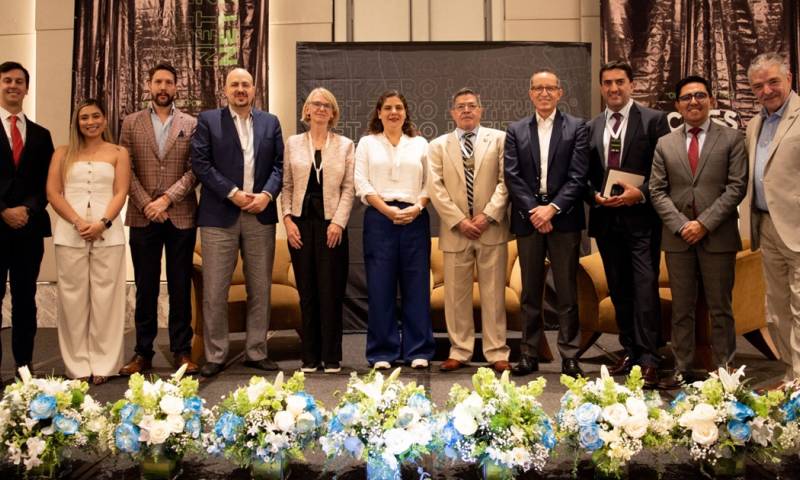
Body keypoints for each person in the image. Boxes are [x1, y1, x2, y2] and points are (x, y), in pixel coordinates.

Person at [650, 76, 747, 389]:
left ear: (711, 101)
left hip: (717, 237)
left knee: (721, 308)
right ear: (678, 105)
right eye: (687, 97)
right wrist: (682, 225)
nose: (693, 102)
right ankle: (682, 368)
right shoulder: (665, 143)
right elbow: (657, 190)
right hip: (678, 240)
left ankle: (725, 373)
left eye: (700, 96)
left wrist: (704, 223)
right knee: (682, 308)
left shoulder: (732, 139)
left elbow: (736, 187)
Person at [191, 67, 284, 378]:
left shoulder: (270, 123)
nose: (240, 90)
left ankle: (256, 350)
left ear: (254, 90)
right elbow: (201, 164)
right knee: (215, 288)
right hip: (219, 215)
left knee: (260, 287)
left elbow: (279, 166)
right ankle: (216, 354)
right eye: (235, 85)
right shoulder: (208, 121)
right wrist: (232, 193)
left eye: (246, 84)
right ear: (225, 89)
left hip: (260, 214)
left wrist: (267, 196)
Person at [584, 61, 670, 388]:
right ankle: (631, 351)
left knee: (644, 288)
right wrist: (594, 196)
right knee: (619, 289)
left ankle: (650, 359)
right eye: (607, 83)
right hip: (606, 221)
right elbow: (585, 175)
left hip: (642, 221)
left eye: (620, 82)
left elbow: (666, 169)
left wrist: (642, 192)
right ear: (601, 87)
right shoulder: (591, 127)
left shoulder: (653, 121)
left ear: (632, 84)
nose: (614, 88)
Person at [504, 69, 588, 377]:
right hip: (529, 221)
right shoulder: (515, 130)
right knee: (530, 292)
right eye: (538, 88)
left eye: (549, 88)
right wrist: (535, 212)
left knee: (567, 291)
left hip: (563, 220)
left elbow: (578, 176)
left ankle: (570, 355)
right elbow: (512, 176)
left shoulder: (577, 128)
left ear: (560, 92)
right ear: (530, 93)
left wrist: (551, 209)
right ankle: (529, 353)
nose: (544, 93)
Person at [118, 62, 199, 376]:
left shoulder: (191, 124)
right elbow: (126, 169)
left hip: (180, 215)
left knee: (180, 286)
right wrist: (147, 203)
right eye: (158, 82)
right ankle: (143, 353)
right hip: (142, 216)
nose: (163, 88)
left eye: (169, 83)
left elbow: (195, 169)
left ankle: (182, 352)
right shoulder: (130, 123)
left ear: (177, 87)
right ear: (148, 86)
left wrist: (167, 199)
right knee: (146, 287)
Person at [46, 99, 130, 385]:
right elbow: (54, 192)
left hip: (109, 234)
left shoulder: (119, 152)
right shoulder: (62, 153)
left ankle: (105, 363)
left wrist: (102, 223)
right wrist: (79, 222)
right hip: (70, 234)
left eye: (96, 116)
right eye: (84, 117)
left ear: (105, 120)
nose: (90, 122)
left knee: (107, 299)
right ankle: (77, 364)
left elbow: (121, 191)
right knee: (72, 300)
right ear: (77, 122)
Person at [427, 87, 511, 373]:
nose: (466, 110)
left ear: (481, 110)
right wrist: (460, 220)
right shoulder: (437, 145)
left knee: (493, 294)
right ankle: (460, 350)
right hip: (455, 231)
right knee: (456, 296)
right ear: (452, 112)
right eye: (460, 106)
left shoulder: (499, 140)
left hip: (491, 230)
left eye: (471, 105)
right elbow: (435, 188)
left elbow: (506, 182)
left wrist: (487, 216)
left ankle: (496, 350)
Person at [354, 90, 434, 370]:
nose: (393, 112)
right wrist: (387, 210)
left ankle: (418, 350)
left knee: (416, 285)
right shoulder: (366, 143)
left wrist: (418, 207)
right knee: (380, 286)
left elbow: (430, 181)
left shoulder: (420, 143)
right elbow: (361, 182)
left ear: (406, 112)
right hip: (379, 218)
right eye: (387, 107)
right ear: (379, 113)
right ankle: (382, 352)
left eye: (399, 107)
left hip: (415, 218)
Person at [281, 87, 354, 374]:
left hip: (331, 226)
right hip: (300, 225)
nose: (321, 108)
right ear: (307, 111)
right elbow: (286, 186)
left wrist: (338, 222)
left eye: (327, 105)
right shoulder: (293, 143)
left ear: (333, 113)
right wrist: (287, 220)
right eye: (316, 104)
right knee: (307, 291)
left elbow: (349, 189)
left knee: (330, 291)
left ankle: (332, 356)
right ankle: (309, 356)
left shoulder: (346, 145)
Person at [745, 53, 800, 383]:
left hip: (797, 228)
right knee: (777, 312)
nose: (766, 90)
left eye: (773, 82)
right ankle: (792, 375)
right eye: (758, 86)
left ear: (789, 79)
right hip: (766, 227)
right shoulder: (755, 124)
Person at [0, 61, 54, 381]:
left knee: (25, 300)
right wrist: (4, 210)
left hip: (28, 230)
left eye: (19, 81)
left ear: (26, 88)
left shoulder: (40, 135)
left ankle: (24, 367)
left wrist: (27, 210)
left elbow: (45, 182)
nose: (13, 86)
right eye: (7, 81)